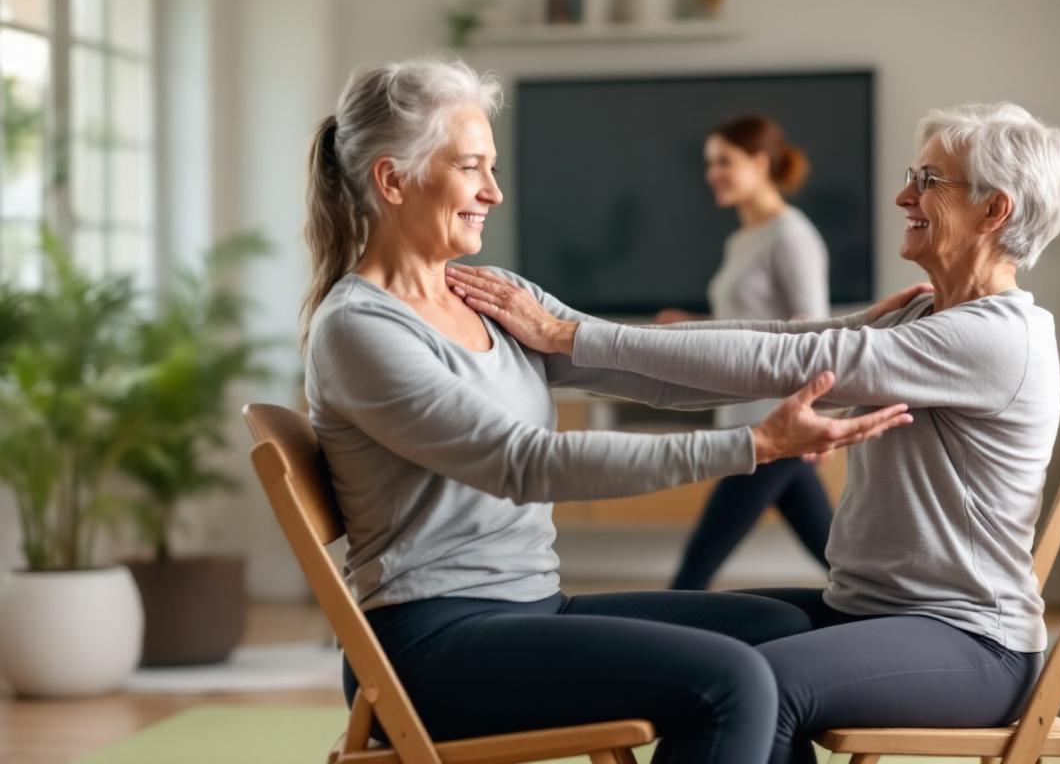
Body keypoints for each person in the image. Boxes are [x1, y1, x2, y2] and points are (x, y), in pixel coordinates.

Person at [301, 58, 918, 764]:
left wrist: (847, 330)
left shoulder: (490, 294)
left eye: (492, 167)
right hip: (428, 648)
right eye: (471, 168)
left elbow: (652, 362)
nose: (494, 192)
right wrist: (754, 444)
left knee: (779, 634)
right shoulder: (360, 328)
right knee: (732, 682)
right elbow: (523, 463)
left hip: (530, 609)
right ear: (392, 179)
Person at [447, 100, 1060, 764]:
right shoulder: (926, 315)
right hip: (873, 611)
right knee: (701, 662)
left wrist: (570, 334)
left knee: (751, 689)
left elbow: (783, 359)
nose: (904, 196)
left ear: (993, 209)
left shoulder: (995, 337)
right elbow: (762, 349)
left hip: (972, 642)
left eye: (929, 180)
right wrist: (555, 352)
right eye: (911, 176)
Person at [653, 114, 834, 591]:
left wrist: (813, 418)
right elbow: (752, 323)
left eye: (724, 162)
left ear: (759, 162)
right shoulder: (741, 239)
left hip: (771, 422)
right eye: (709, 163)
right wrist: (693, 325)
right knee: (838, 557)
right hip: (746, 417)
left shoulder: (791, 234)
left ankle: (665, 629)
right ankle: (896, 607)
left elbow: (813, 332)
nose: (712, 173)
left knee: (693, 573)